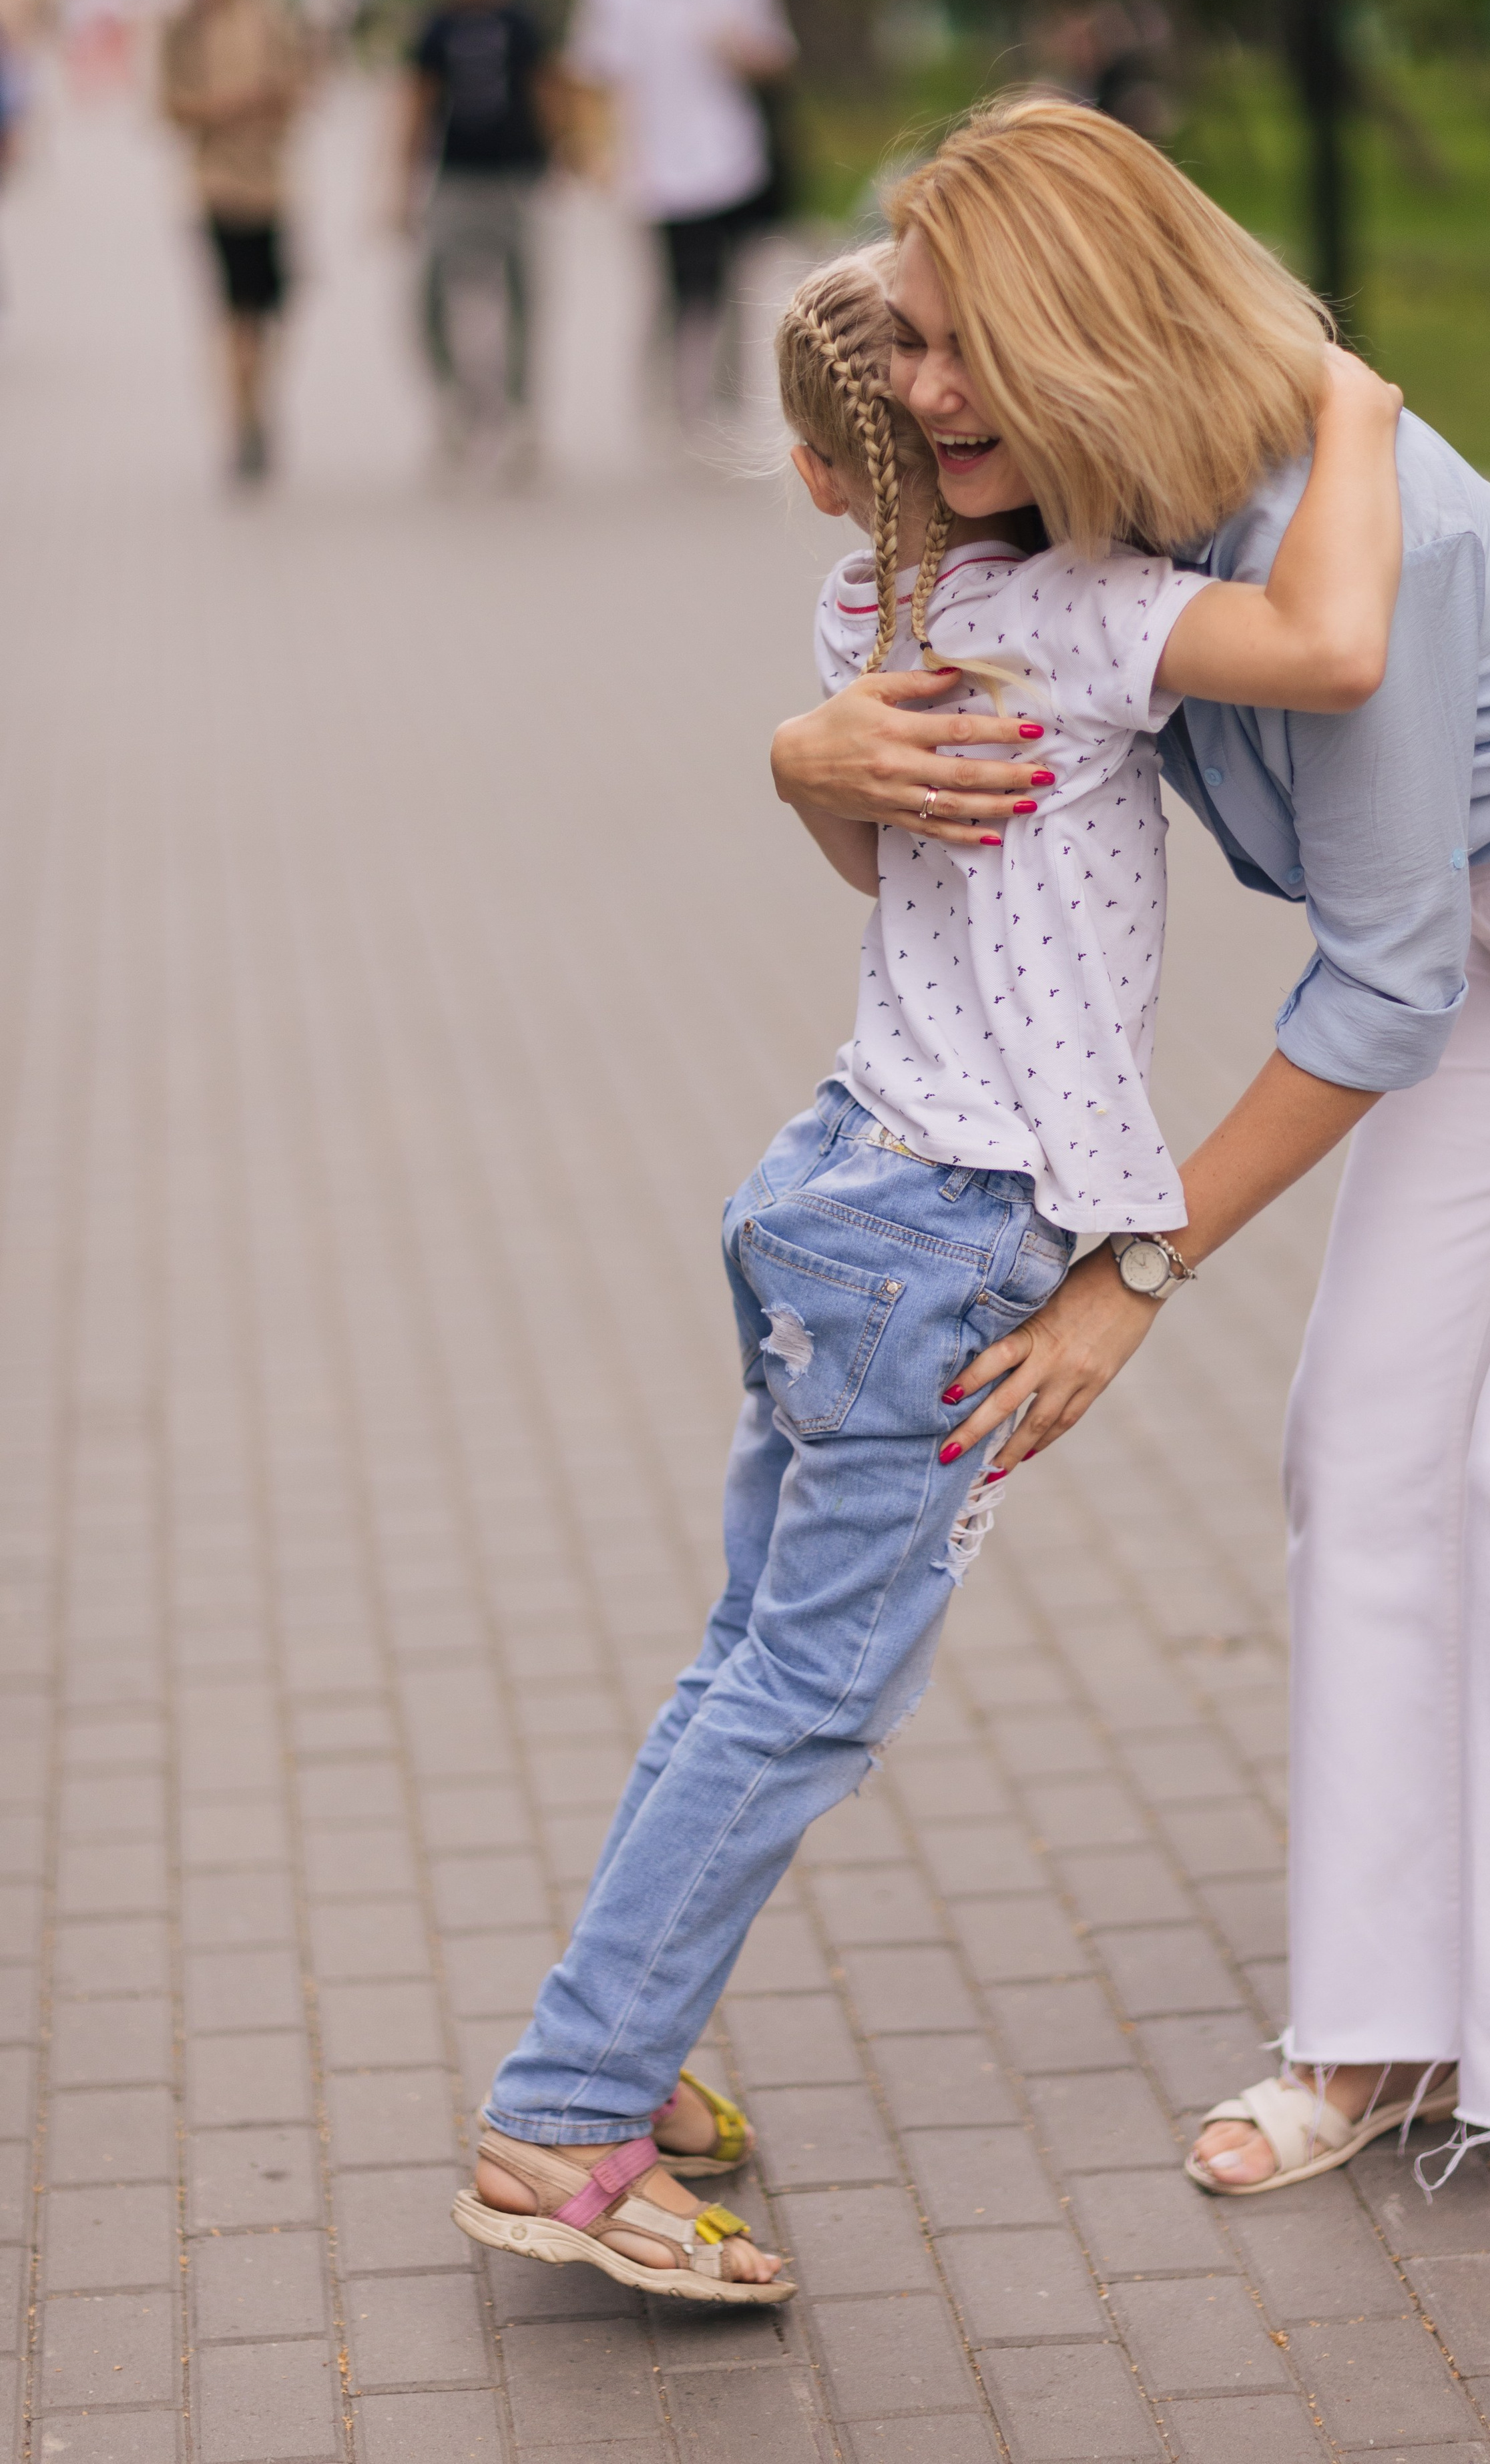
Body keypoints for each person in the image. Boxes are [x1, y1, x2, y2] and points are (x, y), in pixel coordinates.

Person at [769, 98, 1490, 2303]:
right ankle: (1390, 2033)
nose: (922, 394)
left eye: (963, 345)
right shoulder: (1079, 541)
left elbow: (1373, 983)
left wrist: (1133, 1271)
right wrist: (795, 754)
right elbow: (950, 850)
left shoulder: (1312, 513)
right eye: (904, 344)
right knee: (1364, 1450)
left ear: (1089, 328)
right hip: (1485, 943)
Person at [449, 240, 1407, 2303]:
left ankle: (624, 2021)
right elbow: (1333, 646)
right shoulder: (1068, 614)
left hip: (834, 1182)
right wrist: (1343, 402)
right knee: (806, 1692)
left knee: (747, 1660)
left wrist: (799, 751)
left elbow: (880, 836)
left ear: (816, 480)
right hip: (946, 1231)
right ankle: (567, 2111)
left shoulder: (864, 603)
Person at [566, 0, 795, 434]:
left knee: (731, 282)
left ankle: (722, 399)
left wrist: (744, 53)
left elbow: (778, 58)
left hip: (732, 157)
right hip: (654, 166)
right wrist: (595, 149)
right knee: (671, 287)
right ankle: (667, 395)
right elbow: (591, 76)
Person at [402, 0, 563, 470]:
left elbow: (547, 87)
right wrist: (398, 185)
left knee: (524, 297)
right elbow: (415, 105)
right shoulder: (434, 23)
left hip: (517, 174)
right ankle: (458, 401)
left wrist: (570, 152)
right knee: (429, 297)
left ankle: (520, 415)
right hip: (455, 177)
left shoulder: (523, 17)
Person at [161, 0, 306, 483]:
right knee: (234, 316)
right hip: (216, 186)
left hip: (270, 185)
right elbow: (169, 108)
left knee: (268, 315)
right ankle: (240, 422)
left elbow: (295, 96)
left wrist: (275, 101)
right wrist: (232, 104)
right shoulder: (187, 22)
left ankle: (257, 408)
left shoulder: (270, 16)